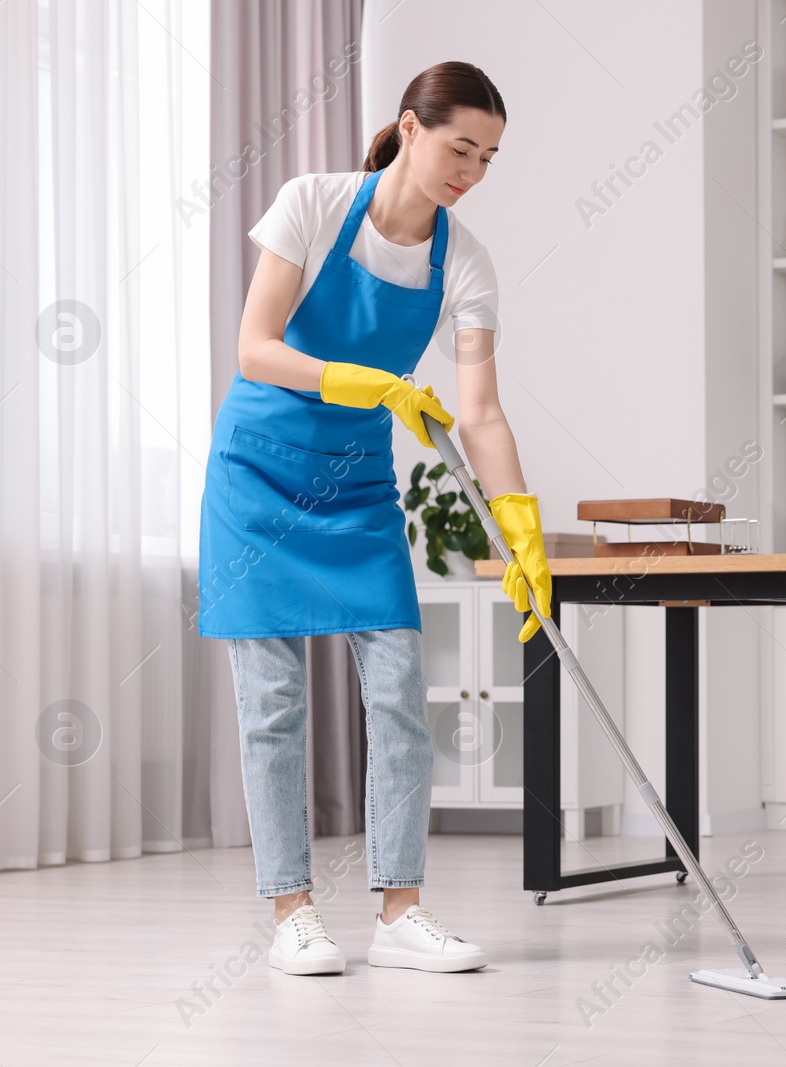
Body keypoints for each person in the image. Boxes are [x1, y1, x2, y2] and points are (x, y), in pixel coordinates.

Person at [197, 61, 551, 976]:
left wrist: (521, 527)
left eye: (489, 157)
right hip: (257, 477)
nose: (470, 170)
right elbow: (254, 346)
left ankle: (400, 912)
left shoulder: (463, 263)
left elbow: (480, 412)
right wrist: (367, 383)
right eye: (459, 146)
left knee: (398, 694)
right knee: (272, 705)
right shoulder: (312, 204)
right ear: (409, 128)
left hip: (356, 489)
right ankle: (292, 912)